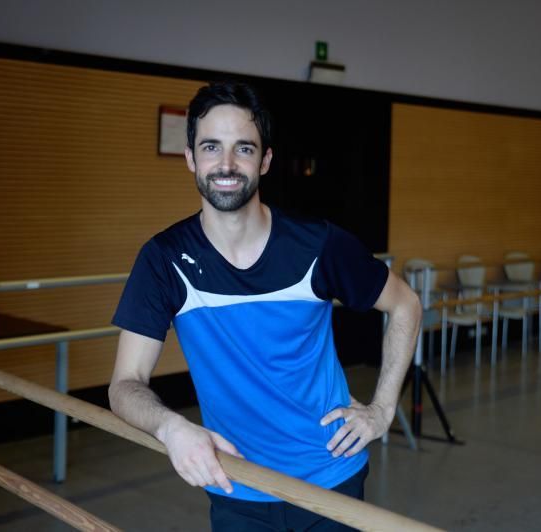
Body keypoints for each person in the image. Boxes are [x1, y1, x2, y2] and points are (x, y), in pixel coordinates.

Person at [109, 81, 421, 531]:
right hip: (237, 482)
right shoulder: (164, 259)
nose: (227, 164)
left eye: (244, 149)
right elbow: (125, 384)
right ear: (192, 158)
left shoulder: (319, 245)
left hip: (331, 476)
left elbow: (406, 304)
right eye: (212, 147)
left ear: (266, 160)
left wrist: (382, 410)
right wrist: (171, 427)